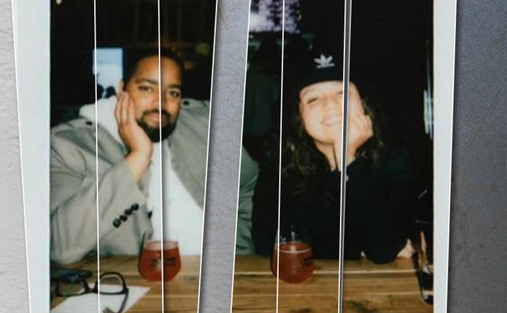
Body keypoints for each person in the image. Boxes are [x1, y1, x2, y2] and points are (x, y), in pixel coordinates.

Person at [50, 48, 259, 264]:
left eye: (173, 93)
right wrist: (138, 158)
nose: (161, 103)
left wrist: (239, 253)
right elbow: (57, 245)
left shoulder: (204, 126)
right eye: (147, 88)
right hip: (135, 281)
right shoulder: (70, 145)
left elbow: (243, 181)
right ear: (122, 89)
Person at [252, 50, 414, 263]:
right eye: (313, 99)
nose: (329, 104)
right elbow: (271, 248)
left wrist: (348, 161)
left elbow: (384, 249)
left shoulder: (394, 160)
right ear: (299, 116)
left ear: (363, 104)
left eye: (342, 92)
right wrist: (355, 248)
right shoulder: (280, 169)